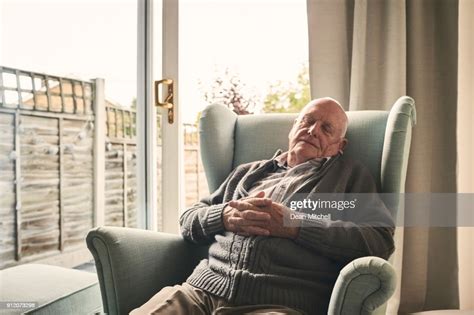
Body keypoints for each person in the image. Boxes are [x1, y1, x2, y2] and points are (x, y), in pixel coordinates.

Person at [130, 97, 395, 315]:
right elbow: (188, 220)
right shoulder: (246, 172)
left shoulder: (349, 177)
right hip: (200, 294)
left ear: (340, 146)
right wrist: (222, 215)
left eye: (326, 129)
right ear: (294, 127)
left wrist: (295, 225)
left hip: (277, 305)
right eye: (308, 120)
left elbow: (379, 239)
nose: (313, 130)